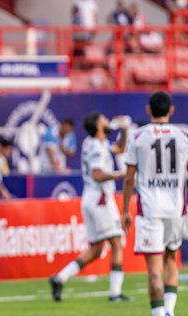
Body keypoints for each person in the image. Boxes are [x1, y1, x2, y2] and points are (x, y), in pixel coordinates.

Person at [122, 91, 188, 316]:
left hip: (151, 210)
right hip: (176, 209)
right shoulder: (185, 135)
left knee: (153, 270)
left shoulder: (138, 136)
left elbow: (128, 178)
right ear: (172, 110)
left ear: (148, 110)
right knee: (171, 261)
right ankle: (169, 312)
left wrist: (125, 210)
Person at [49, 113, 129, 302]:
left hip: (90, 199)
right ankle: (115, 292)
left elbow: (118, 148)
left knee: (95, 250)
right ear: (97, 125)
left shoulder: (95, 143)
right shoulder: (96, 147)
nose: (108, 121)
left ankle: (60, 278)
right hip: (100, 200)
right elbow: (97, 175)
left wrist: (124, 130)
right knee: (117, 243)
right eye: (104, 119)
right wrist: (120, 174)